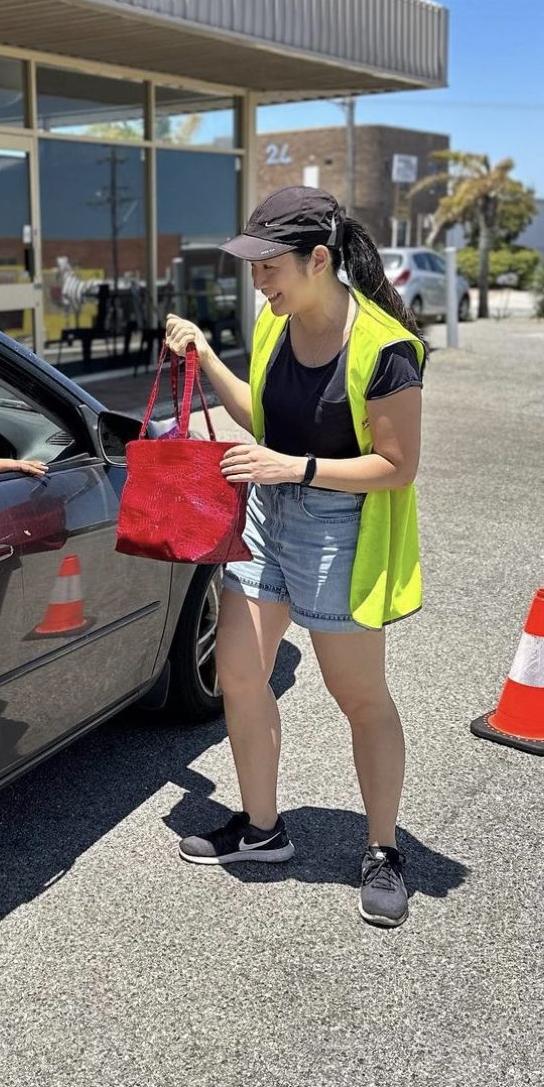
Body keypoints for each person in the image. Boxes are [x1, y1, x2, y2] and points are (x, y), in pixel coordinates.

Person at [165, 185, 425, 928]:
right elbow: (263, 414)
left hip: (335, 525)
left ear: (318, 259)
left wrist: (296, 469)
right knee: (241, 673)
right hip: (263, 511)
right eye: (252, 269)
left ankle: (381, 849)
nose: (258, 282)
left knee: (359, 696)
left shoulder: (384, 348)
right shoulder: (276, 324)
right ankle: (260, 827)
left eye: (268, 267)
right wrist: (208, 357)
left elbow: (396, 465)